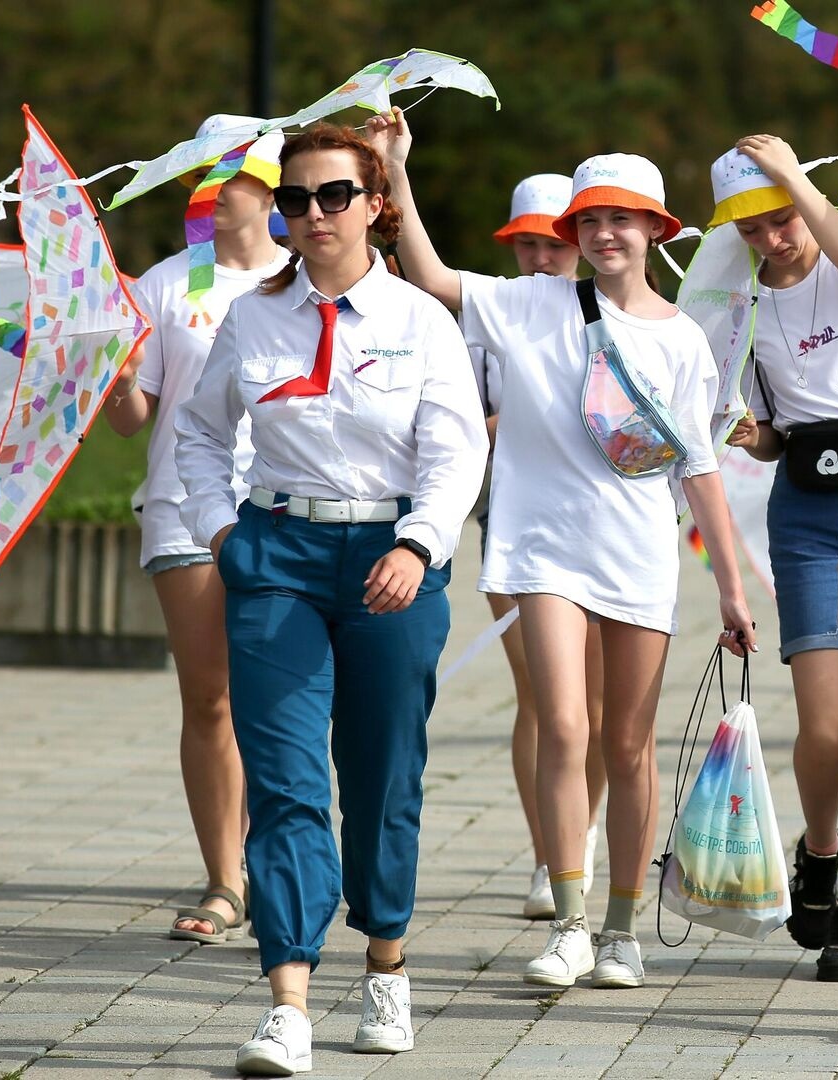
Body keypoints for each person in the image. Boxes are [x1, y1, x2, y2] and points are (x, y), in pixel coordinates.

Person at [366, 108, 758, 992]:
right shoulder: (529, 302)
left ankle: (623, 929)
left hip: (640, 556)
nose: (604, 233)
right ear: (570, 231)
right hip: (541, 549)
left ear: (657, 231)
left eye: (622, 218)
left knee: (628, 743)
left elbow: (698, 468)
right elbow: (429, 275)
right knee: (565, 726)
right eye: (589, 219)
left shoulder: (683, 339)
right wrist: (396, 167)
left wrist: (732, 589)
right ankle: (572, 925)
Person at [174, 121, 487, 1072]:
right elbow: (196, 432)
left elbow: (456, 449)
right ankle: (289, 998)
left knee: (384, 773)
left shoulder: (421, 321)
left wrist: (420, 543)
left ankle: (386, 965)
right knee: (284, 781)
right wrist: (224, 532)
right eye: (296, 199)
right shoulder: (252, 316)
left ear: (374, 205)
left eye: (333, 196)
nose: (313, 215)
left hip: (392, 562)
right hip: (276, 557)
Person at [713, 136, 838, 981]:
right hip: (810, 512)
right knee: (827, 726)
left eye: (781, 216)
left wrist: (798, 179)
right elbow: (767, 431)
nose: (773, 238)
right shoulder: (740, 303)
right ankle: (819, 847)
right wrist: (755, 434)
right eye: (750, 227)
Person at [102, 115, 287, 947]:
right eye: (199, 176)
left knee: (283, 700)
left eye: (227, 175)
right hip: (183, 501)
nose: (209, 191)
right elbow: (131, 421)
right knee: (209, 696)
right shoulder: (164, 285)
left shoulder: (305, 276)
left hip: (289, 505)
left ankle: (283, 860)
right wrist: (111, 380)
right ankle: (225, 880)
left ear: (267, 183)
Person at [476, 173, 608, 921]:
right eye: (526, 241)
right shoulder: (496, 307)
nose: (539, 255)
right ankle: (545, 858)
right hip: (514, 512)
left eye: (552, 241)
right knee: (541, 693)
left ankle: (579, 838)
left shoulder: (609, 303)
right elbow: (461, 412)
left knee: (591, 701)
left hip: (601, 516)